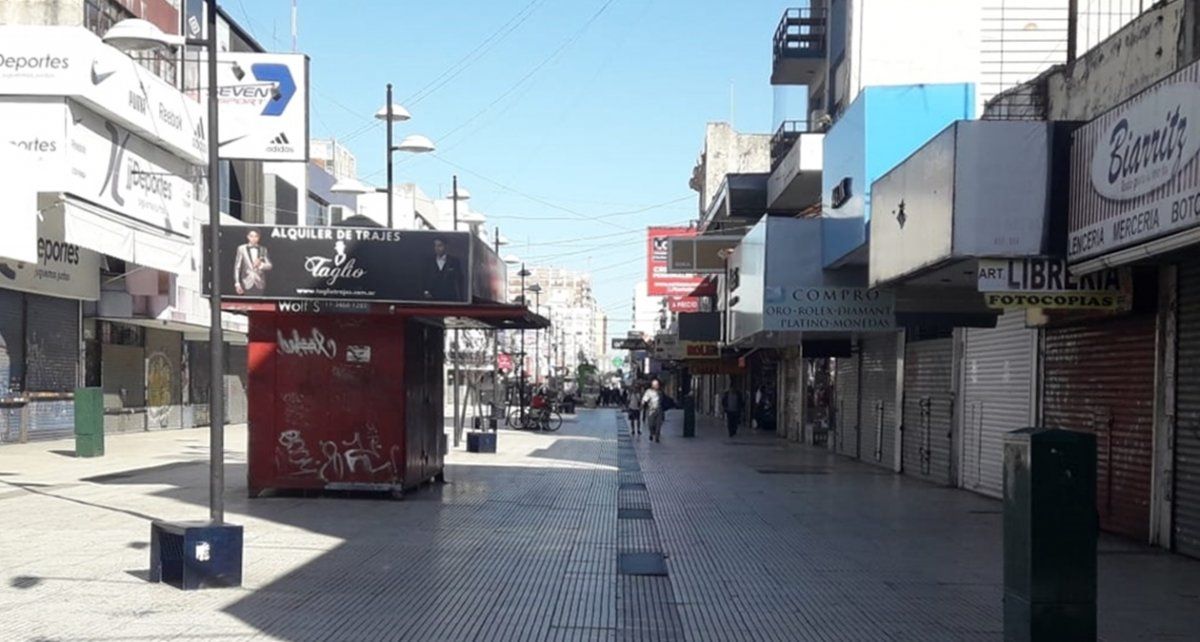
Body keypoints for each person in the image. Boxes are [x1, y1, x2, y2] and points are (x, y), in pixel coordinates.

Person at [233, 229, 271, 295]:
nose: (253, 239)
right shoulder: (241, 248)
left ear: (259, 237)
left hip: (259, 283)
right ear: (248, 237)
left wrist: (261, 265)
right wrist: (237, 283)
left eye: (256, 236)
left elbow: (269, 265)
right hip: (246, 282)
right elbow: (237, 267)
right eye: (251, 236)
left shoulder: (263, 249)